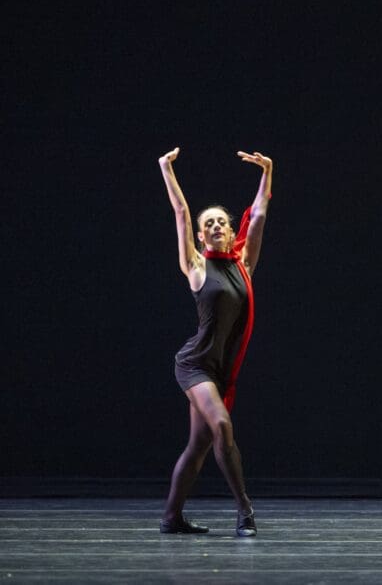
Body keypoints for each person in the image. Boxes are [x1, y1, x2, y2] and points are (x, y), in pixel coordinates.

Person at [157, 146, 273, 538]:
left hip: (220, 371)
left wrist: (267, 172)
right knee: (222, 427)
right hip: (194, 365)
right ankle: (245, 511)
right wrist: (166, 169)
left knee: (198, 447)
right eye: (211, 224)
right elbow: (180, 213)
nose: (218, 227)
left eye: (223, 222)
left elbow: (257, 217)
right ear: (202, 234)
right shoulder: (195, 266)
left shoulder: (244, 266)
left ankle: (172, 518)